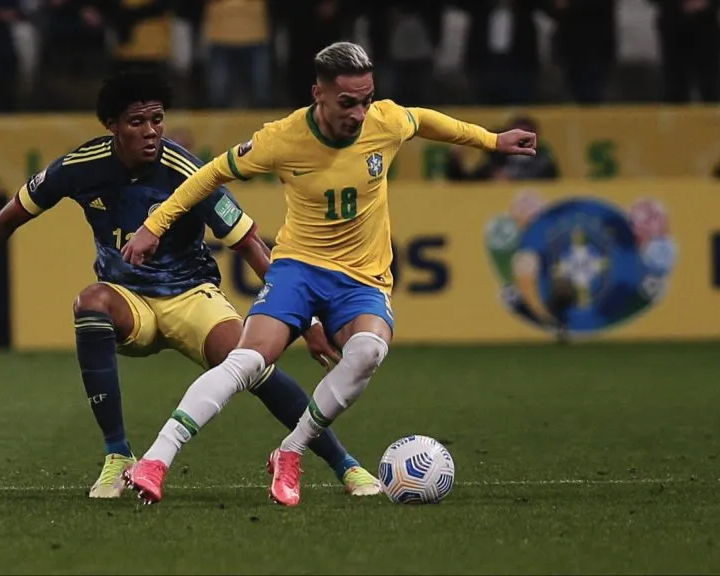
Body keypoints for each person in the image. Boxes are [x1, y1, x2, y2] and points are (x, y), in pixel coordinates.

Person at [0, 70, 383, 499]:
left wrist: (309, 319)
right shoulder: (78, 167)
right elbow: (3, 220)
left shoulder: (187, 171)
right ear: (112, 125)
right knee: (89, 302)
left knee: (251, 363)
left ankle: (344, 464)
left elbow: (251, 244)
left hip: (192, 295)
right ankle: (118, 457)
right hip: (129, 300)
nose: (152, 131)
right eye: (138, 122)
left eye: (157, 119)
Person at [120, 42, 538, 506]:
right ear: (317, 93)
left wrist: (492, 140)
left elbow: (425, 119)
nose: (359, 113)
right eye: (347, 103)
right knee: (248, 361)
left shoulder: (385, 121)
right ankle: (157, 459)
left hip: (362, 277)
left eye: (366, 100)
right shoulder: (282, 138)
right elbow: (208, 176)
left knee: (368, 351)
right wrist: (152, 226)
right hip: (299, 268)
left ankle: (291, 451)